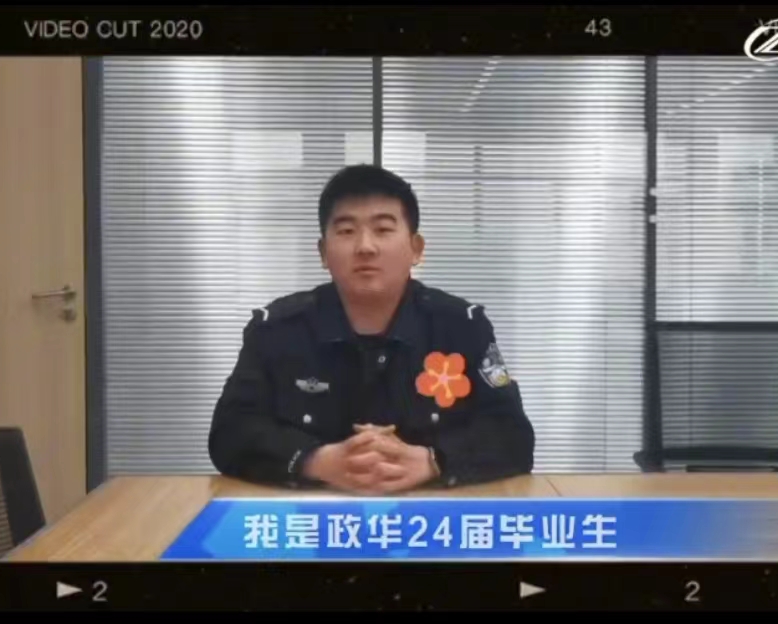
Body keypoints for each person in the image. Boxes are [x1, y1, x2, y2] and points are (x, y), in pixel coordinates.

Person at [207, 164, 535, 494]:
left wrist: (433, 460)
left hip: (431, 514)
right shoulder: (276, 331)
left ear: (416, 248)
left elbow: (513, 434)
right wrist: (314, 460)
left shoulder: (461, 327)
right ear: (323, 252)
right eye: (347, 231)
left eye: (383, 229)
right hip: (312, 515)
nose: (365, 246)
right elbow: (229, 433)